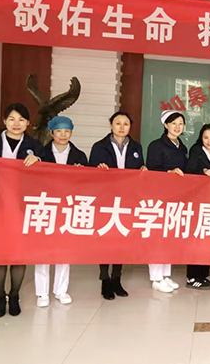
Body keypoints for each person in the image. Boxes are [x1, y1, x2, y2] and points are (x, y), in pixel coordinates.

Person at [0, 103, 42, 317]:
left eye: (21, 119)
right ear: (4, 121)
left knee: (19, 253)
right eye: (11, 119)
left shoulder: (35, 145)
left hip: (22, 206)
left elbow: (48, 173)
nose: (16, 123)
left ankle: (14, 295)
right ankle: (0, 296)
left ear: (27, 123)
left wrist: (39, 161)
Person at [89, 111, 146, 300]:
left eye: (126, 124)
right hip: (106, 200)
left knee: (122, 238)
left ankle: (116, 278)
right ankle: (104, 279)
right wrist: (98, 170)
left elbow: (139, 169)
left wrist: (143, 170)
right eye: (118, 123)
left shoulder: (136, 147)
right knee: (106, 239)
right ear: (111, 125)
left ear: (130, 127)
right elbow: (90, 173)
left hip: (127, 200)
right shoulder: (99, 147)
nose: (122, 127)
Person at [35, 116, 87, 308]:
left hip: (68, 207)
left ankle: (61, 290)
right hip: (45, 206)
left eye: (67, 131)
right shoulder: (40, 154)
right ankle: (42, 293)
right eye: (59, 131)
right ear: (52, 133)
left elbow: (88, 183)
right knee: (42, 250)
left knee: (64, 249)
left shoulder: (79, 156)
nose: (63, 135)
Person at [145, 110, 187, 293]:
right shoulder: (156, 145)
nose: (177, 127)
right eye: (173, 123)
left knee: (169, 236)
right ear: (166, 125)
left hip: (176, 197)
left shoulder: (182, 147)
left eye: (180, 124)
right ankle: (156, 277)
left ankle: (165, 274)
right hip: (159, 196)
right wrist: (168, 173)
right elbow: (152, 169)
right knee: (157, 237)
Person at [184, 124, 210, 290]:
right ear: (201, 138)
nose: (209, 141)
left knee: (208, 239)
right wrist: (203, 171)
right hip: (198, 202)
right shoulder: (196, 152)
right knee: (197, 239)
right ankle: (192, 276)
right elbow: (189, 171)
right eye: (206, 137)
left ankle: (203, 275)